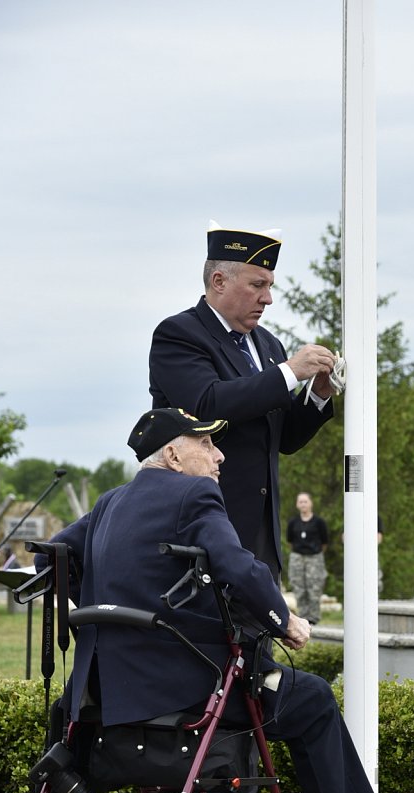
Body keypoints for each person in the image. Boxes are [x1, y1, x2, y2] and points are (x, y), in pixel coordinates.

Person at [38, 408, 395, 793]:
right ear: (172, 453)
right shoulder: (194, 493)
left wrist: (103, 604)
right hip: (191, 693)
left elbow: (52, 556)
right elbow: (241, 569)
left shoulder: (109, 504)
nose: (219, 455)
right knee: (311, 698)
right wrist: (283, 620)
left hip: (114, 696)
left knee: (274, 688)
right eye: (205, 444)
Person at [149, 222, 337, 583]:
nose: (267, 298)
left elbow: (283, 439)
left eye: (269, 286)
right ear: (219, 281)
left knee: (257, 637)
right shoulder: (179, 335)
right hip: (201, 529)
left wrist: (318, 392)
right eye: (257, 285)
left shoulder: (268, 345)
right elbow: (207, 404)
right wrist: (288, 373)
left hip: (260, 541)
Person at [286, 492, 328, 624]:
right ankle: (303, 616)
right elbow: (290, 540)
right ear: (297, 504)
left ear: (311, 503)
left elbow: (324, 541)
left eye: (305, 501)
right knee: (299, 587)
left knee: (314, 587)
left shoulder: (319, 522)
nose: (303, 504)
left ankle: (314, 617)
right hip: (297, 557)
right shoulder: (293, 522)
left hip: (314, 557)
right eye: (300, 502)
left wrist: (316, 553)